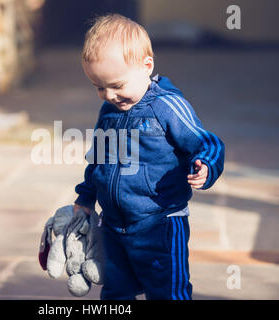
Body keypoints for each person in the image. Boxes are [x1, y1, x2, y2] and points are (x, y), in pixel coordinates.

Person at [73, 14, 225, 300]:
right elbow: (99, 160)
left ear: (147, 66)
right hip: (115, 226)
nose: (109, 95)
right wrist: (85, 198)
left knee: (168, 291)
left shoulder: (167, 107)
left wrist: (206, 165)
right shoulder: (109, 111)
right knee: (115, 291)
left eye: (117, 85)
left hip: (161, 224)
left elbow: (207, 142)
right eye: (99, 87)